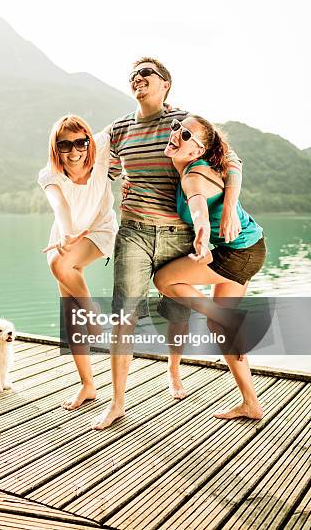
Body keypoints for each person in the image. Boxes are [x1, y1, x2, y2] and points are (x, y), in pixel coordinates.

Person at [91, 57, 243, 430]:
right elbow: (103, 175)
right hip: (135, 232)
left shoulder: (185, 125)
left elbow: (232, 161)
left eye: (146, 73)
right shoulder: (119, 129)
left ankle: (174, 373)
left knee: (176, 311)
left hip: (179, 232)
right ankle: (117, 404)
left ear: (165, 84)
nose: (137, 78)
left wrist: (228, 212)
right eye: (133, 74)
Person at [153, 114, 267, 419]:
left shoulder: (194, 175)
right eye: (178, 128)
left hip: (239, 252)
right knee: (220, 325)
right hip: (250, 247)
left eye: (187, 136)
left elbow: (198, 206)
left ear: (198, 151)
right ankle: (251, 403)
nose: (177, 134)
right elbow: (234, 160)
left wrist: (202, 234)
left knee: (164, 280)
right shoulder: (202, 164)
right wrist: (228, 205)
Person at [38, 114, 118, 410]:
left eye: (80, 143)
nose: (74, 152)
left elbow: (126, 120)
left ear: (88, 141)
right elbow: (59, 206)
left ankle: (94, 317)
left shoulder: (100, 147)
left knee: (58, 266)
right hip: (67, 235)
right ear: (56, 148)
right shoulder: (49, 175)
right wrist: (68, 232)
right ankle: (88, 385)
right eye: (65, 145)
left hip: (100, 231)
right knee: (69, 313)